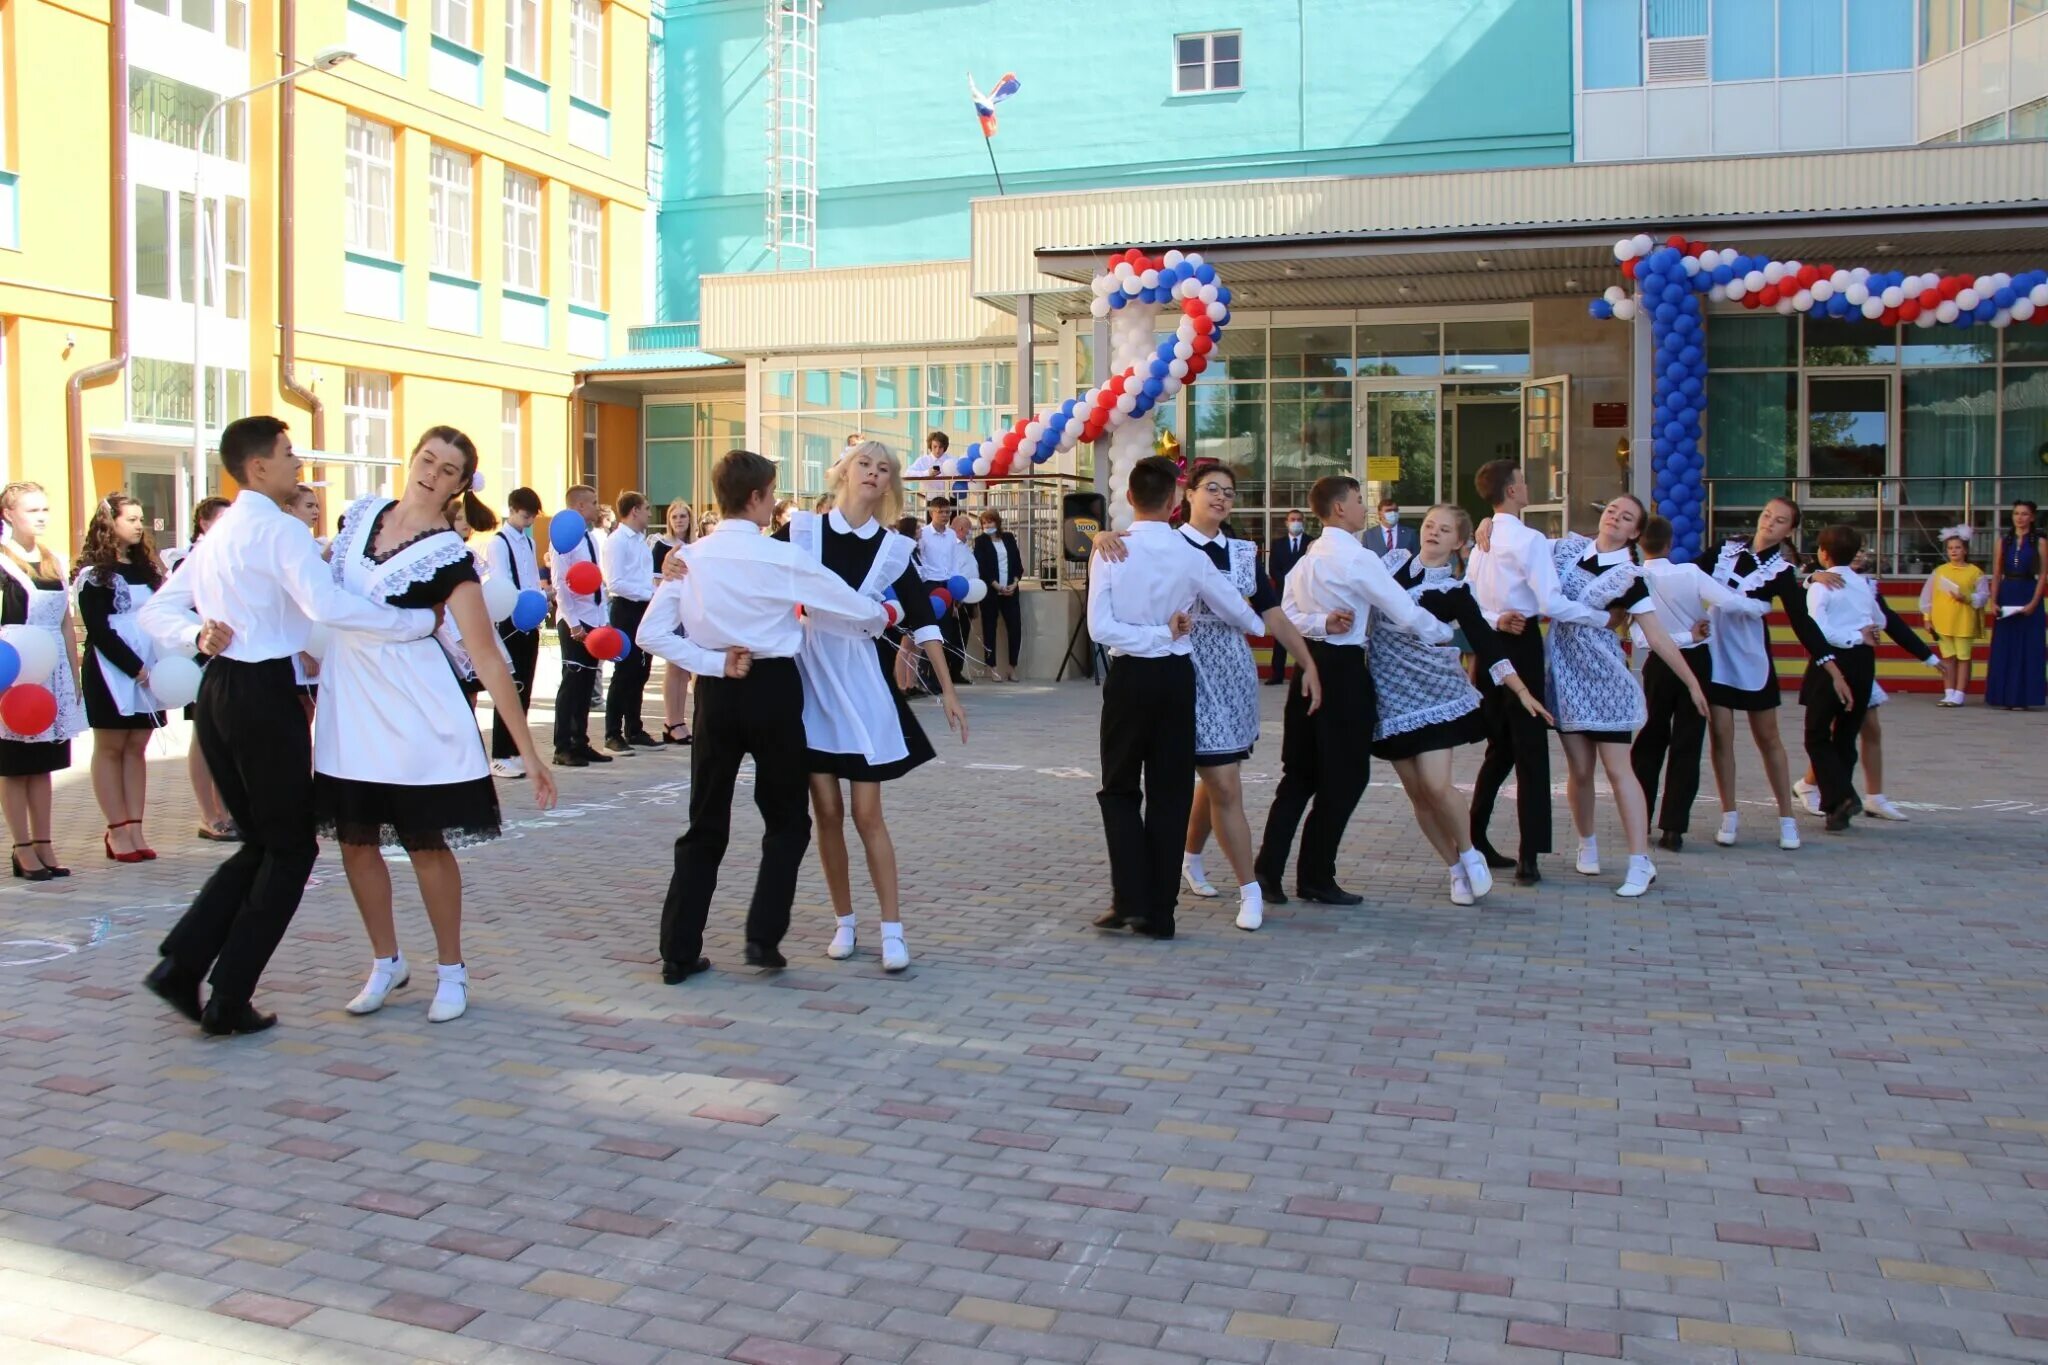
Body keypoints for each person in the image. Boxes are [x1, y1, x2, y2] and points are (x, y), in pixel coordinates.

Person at [136, 416, 442, 1036]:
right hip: (259, 694)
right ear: (257, 468)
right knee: (291, 847)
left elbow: (158, 610)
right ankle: (226, 993)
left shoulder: (223, 531)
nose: (297, 463)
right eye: (287, 454)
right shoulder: (277, 529)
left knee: (264, 842)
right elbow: (325, 606)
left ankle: (185, 964)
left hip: (220, 690)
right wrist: (412, 624)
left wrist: (195, 635)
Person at [319, 429, 558, 1023]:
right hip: (349, 699)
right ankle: (385, 960)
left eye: (448, 469)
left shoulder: (451, 557)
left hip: (413, 708)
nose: (432, 473)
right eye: (428, 459)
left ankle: (451, 969)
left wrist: (527, 751)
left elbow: (485, 655)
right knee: (355, 838)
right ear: (413, 459)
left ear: (458, 484)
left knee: (425, 841)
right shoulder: (360, 516)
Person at [640, 449, 901, 983]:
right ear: (758, 498)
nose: (774, 508)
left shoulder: (691, 558)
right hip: (776, 690)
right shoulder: (779, 557)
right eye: (771, 496)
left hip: (716, 692)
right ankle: (763, 939)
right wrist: (884, 614)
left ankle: (678, 952)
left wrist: (712, 661)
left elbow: (650, 634)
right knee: (786, 821)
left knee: (705, 822)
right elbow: (849, 603)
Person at [766, 441, 966, 970]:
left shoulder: (896, 549)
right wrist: (680, 562)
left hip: (863, 688)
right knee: (826, 813)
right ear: (843, 473)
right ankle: (845, 921)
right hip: (809, 683)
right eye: (864, 464)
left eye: (883, 469)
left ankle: (893, 929)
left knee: (866, 813)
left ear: (891, 484)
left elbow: (925, 622)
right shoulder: (803, 531)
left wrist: (947, 691)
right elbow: (752, 569)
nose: (873, 474)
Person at [1138, 462, 1324, 931]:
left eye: (1230, 492)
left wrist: (1308, 662)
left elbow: (1273, 612)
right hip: (1181, 667)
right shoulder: (1167, 541)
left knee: (1218, 777)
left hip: (1233, 675)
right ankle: (1250, 889)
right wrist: (1101, 538)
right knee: (1223, 782)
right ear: (1188, 495)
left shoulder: (1243, 552)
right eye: (1212, 489)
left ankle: (1191, 856)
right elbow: (1121, 550)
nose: (1221, 498)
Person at [1088, 456, 1266, 941]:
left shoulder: (1110, 550)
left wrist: (1149, 638)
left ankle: (1130, 900)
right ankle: (1157, 912)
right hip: (1175, 677)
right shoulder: (1191, 556)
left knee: (1120, 790)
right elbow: (1238, 610)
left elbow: (1100, 629)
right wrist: (1169, 637)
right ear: (1174, 502)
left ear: (1129, 498)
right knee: (1170, 792)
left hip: (1129, 678)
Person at [1257, 475, 1456, 908]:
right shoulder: (1357, 557)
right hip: (1343, 671)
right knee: (1347, 777)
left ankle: (1268, 872)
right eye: (1359, 500)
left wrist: (1321, 623)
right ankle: (1315, 875)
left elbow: (1286, 614)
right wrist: (1445, 632)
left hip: (1308, 665)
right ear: (1340, 508)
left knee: (1300, 776)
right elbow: (1402, 610)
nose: (1367, 508)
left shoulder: (1309, 558)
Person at [1369, 505, 1549, 906]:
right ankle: (1454, 868)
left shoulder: (1455, 591)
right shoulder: (1389, 563)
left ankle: (1470, 851)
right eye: (1430, 525)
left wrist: (1520, 690)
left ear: (1458, 543)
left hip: (1433, 694)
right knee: (1417, 793)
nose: (1434, 532)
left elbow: (1487, 644)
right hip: (1389, 695)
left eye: (1444, 529)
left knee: (1436, 785)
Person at [1463, 460, 1624, 886]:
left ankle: (1474, 834)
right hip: (1519, 643)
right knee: (1530, 750)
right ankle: (1528, 854)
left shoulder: (1486, 536)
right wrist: (1598, 617)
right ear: (1513, 491)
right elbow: (1550, 602)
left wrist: (1494, 618)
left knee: (1500, 749)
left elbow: (1469, 598)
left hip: (1490, 639)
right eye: (1523, 481)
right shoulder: (1528, 538)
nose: (1528, 486)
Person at [1535, 496, 1706, 897]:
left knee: (1618, 770)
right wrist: (1490, 526)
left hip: (1605, 677)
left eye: (1626, 516)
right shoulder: (1566, 549)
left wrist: (1693, 681)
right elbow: (1517, 546)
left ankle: (1639, 860)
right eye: (1612, 509)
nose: (1615, 516)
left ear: (1635, 532)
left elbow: (1656, 635)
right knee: (1579, 769)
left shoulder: (1632, 576)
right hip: (1563, 672)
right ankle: (1587, 844)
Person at [1697, 497, 1835, 851]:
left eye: (1780, 520)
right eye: (1767, 515)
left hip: (1752, 657)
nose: (1770, 522)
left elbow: (1802, 622)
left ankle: (1787, 818)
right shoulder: (1724, 550)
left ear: (1790, 530)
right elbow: (1687, 577)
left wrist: (1830, 664)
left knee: (1768, 738)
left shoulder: (1782, 572)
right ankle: (1729, 814)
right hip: (1715, 653)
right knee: (1721, 735)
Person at [1628, 515, 1771, 852]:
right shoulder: (1690, 573)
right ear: (1669, 543)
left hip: (1659, 664)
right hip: (1696, 661)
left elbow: (1639, 636)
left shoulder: (1636, 578)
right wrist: (1763, 604)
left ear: (1639, 543)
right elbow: (1731, 602)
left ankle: (1640, 816)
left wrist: (1674, 636)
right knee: (1688, 744)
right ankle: (1674, 828)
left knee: (1650, 740)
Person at [75, 493, 168, 862]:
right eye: (130, 518)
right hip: (111, 669)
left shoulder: (146, 568)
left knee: (136, 748)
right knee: (112, 748)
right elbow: (99, 630)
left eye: (140, 518)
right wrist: (136, 668)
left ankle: (135, 827)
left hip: (149, 668)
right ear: (108, 523)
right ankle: (116, 830)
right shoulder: (94, 574)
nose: (138, 524)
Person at [0, 482, 85, 880]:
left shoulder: (53, 559)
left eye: (45, 508)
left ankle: (45, 842)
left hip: (51, 669)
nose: (41, 516)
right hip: (15, 667)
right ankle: (21, 847)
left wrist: (73, 670)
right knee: (15, 765)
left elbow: (66, 622)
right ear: (9, 514)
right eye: (32, 509)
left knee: (45, 763)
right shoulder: (2, 561)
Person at [1799, 524, 1890, 833]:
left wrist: (1852, 634)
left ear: (1823, 554)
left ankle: (1841, 796)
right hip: (1864, 660)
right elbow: (1880, 620)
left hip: (1833, 661)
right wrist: (1863, 632)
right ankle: (1835, 807)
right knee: (1846, 733)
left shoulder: (1822, 586)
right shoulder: (1863, 584)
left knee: (1816, 733)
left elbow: (1817, 630)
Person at [168, 497, 235, 841]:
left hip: (232, 653)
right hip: (201, 654)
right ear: (204, 524)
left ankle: (228, 808)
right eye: (222, 518)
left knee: (227, 737)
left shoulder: (231, 556)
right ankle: (209, 813)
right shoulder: (189, 560)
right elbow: (173, 608)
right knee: (203, 733)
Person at [549, 484, 610, 767]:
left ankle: (580, 741)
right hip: (575, 620)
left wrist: (602, 619)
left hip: (593, 617)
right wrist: (573, 623)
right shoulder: (564, 538)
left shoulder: (591, 538)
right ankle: (562, 746)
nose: (598, 507)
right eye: (594, 502)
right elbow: (561, 584)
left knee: (587, 683)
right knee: (572, 682)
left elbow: (595, 579)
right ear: (580, 507)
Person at [486, 487, 544, 777]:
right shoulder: (498, 542)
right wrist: (523, 603)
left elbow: (532, 577)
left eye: (532, 516)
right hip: (510, 619)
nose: (529, 521)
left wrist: (541, 600)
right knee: (509, 687)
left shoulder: (529, 543)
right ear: (511, 510)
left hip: (530, 619)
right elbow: (503, 582)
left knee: (525, 687)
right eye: (524, 515)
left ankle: (515, 749)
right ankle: (499, 753)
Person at [599, 491, 659, 753]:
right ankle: (612, 732)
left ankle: (634, 727)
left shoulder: (640, 541)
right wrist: (650, 593)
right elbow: (616, 583)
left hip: (644, 608)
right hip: (626, 609)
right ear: (634, 510)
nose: (649, 513)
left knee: (642, 669)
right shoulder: (617, 541)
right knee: (624, 671)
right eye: (645, 508)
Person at [1985, 499, 2046, 710]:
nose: (2020, 518)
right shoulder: (2003, 541)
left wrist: (2034, 603)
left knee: (2028, 645)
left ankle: (2026, 697)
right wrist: (1994, 600)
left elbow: (2044, 575)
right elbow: (1996, 572)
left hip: (2029, 590)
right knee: (2006, 645)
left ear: (2032, 517)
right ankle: (2003, 696)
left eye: (2024, 514)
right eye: (2016, 514)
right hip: (2007, 591)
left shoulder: (2039, 541)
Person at [1920, 529, 1988, 707]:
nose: (1954, 551)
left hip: (1964, 621)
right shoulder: (1939, 571)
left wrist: (1966, 598)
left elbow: (1983, 596)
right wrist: (1928, 617)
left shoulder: (1975, 572)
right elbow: (1929, 596)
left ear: (1965, 550)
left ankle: (1960, 693)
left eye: (1958, 547)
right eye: (1950, 548)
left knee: (1963, 657)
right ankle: (1948, 692)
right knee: (1948, 657)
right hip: (1943, 620)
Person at [653, 499, 696, 743]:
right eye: (674, 516)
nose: (679, 520)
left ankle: (680, 721)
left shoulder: (694, 545)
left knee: (686, 669)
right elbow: (659, 581)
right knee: (674, 668)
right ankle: (672, 721)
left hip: (691, 612)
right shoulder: (661, 546)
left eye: (683, 516)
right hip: (673, 612)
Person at [918, 496, 970, 686]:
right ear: (932, 512)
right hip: (930, 584)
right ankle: (925, 676)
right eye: (940, 511)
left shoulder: (950, 535)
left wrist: (956, 586)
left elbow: (954, 561)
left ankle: (941, 678)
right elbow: (921, 559)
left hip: (948, 584)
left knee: (947, 633)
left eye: (947, 512)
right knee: (930, 631)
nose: (944, 515)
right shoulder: (923, 534)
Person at [973, 509, 1023, 681]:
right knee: (989, 629)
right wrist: (996, 586)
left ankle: (1012, 667)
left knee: (1015, 628)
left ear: (997, 522)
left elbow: (1017, 562)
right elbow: (982, 567)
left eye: (990, 522)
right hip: (991, 592)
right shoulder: (980, 542)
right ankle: (991, 667)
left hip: (1011, 591)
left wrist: (1014, 583)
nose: (987, 526)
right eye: (984, 523)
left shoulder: (1008, 538)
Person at [1265, 509, 1314, 685]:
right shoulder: (1278, 544)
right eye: (1292, 520)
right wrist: (1288, 585)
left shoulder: (1312, 543)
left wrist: (1298, 586)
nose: (1296, 522)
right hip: (1282, 596)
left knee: (1306, 636)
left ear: (1304, 522)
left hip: (1305, 596)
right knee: (1281, 636)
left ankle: (1307, 672)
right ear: (1286, 522)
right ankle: (1277, 674)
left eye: (1299, 520)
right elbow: (1273, 569)